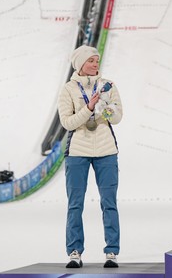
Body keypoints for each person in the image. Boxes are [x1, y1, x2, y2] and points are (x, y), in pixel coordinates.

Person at [57, 45, 123, 268]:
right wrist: (89, 107)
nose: (96, 64)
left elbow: (117, 118)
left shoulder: (108, 85)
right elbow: (67, 122)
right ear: (80, 64)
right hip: (77, 153)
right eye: (91, 61)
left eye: (97, 60)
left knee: (109, 203)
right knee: (75, 204)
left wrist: (103, 106)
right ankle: (75, 251)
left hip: (106, 152)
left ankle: (111, 252)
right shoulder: (68, 89)